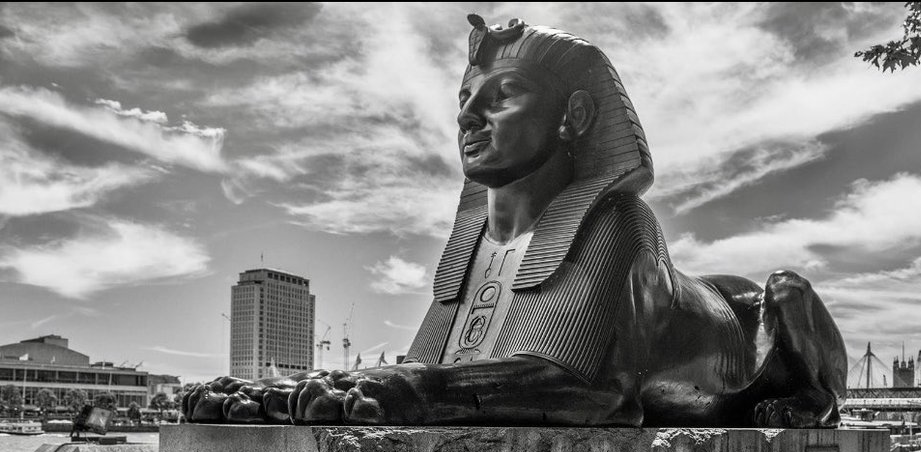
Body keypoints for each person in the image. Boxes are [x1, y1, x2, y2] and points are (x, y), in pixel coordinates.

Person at [184, 15, 847, 428]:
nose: (468, 116)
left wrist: (410, 392)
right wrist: (277, 393)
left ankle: (815, 397)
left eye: (504, 95)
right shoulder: (476, 238)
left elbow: (596, 394)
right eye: (466, 97)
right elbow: (427, 368)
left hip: (748, 348)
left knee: (785, 290)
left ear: (574, 117)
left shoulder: (618, 222)